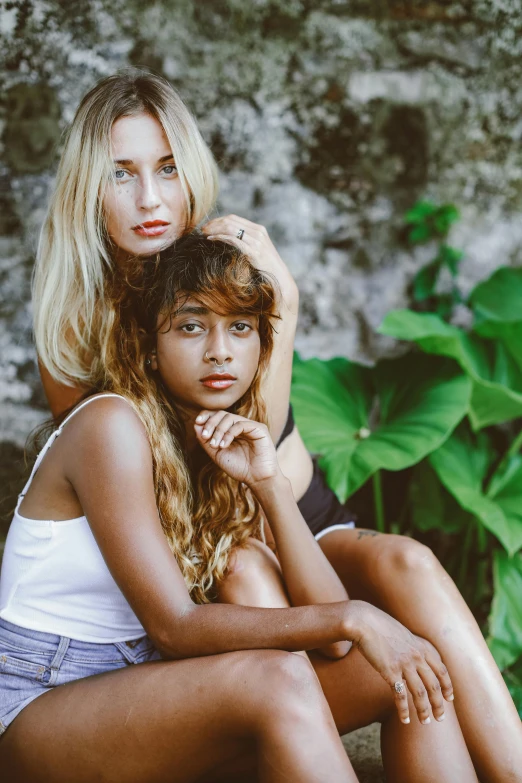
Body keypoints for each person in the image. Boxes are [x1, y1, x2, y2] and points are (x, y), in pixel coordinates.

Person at [33, 70, 521, 782]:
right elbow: (172, 512)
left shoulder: (226, 260)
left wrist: (283, 308)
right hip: (205, 539)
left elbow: (272, 465)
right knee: (248, 569)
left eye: (167, 169)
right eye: (122, 175)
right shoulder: (77, 328)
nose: (151, 199)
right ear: (87, 188)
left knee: (406, 563)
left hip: (290, 514)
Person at [0, 237, 479, 783]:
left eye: (240, 327)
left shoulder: (216, 444)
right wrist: (358, 614)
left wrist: (271, 486)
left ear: (261, 345)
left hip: (148, 693)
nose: (219, 351)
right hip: (42, 701)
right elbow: (176, 626)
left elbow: (338, 644)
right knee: (280, 678)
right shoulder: (110, 426)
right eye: (191, 326)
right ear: (149, 346)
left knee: (404, 669)